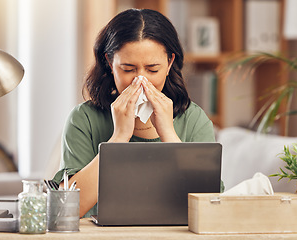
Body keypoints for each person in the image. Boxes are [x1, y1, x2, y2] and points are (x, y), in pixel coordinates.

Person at [53, 8, 215, 218]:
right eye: (128, 69)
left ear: (169, 63)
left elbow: (209, 211)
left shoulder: (194, 120)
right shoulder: (84, 120)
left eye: (152, 69)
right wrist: (118, 138)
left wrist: (169, 135)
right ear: (110, 64)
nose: (141, 81)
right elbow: (64, 211)